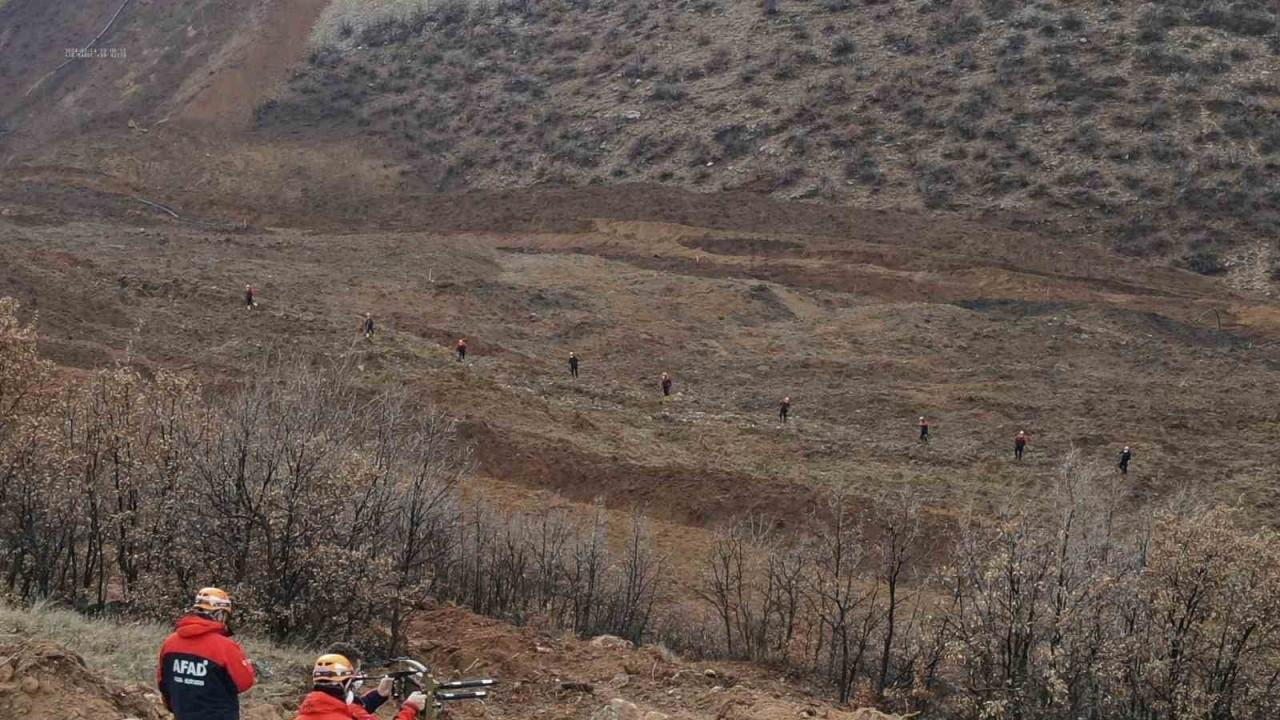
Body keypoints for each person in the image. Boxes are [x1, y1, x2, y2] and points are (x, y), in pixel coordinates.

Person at [157, 587, 256, 720]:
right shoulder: (225, 647)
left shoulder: (170, 643)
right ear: (220, 614)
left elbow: (163, 682)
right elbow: (245, 682)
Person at [293, 653, 426, 720]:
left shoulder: (310, 711)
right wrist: (410, 708)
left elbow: (350, 710)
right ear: (344, 683)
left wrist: (377, 696)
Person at [323, 642, 393, 714]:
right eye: (357, 672)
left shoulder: (320, 701)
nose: (360, 676)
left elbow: (356, 706)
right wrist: (405, 709)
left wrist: (378, 695)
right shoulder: (339, 711)